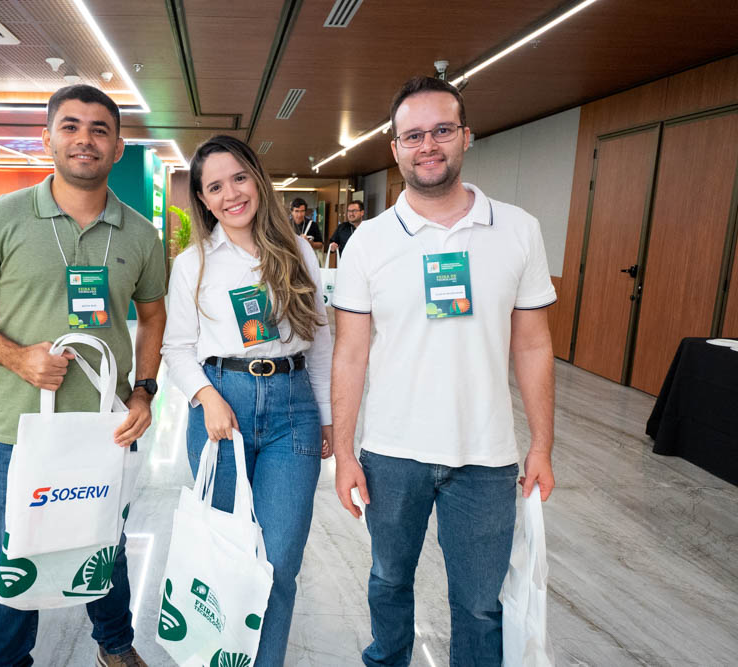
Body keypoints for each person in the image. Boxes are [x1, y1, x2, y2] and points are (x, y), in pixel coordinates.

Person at [0, 84, 167, 667]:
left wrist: (144, 390)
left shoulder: (139, 233)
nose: (84, 139)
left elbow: (154, 315)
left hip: (106, 428)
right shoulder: (1, 218)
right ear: (47, 138)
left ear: (117, 147)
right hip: (19, 430)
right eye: (70, 126)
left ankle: (114, 646)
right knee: (18, 558)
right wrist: (17, 358)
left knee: (103, 544)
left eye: (99, 129)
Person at [331, 76, 557, 666]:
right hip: (391, 451)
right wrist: (347, 453)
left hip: (486, 456)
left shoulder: (518, 229)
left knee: (481, 606)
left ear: (465, 137)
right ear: (395, 147)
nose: (428, 145)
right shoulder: (369, 242)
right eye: (413, 135)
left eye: (441, 130)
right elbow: (350, 353)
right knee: (387, 581)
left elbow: (532, 346)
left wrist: (543, 447)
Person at [161, 135, 333, 666]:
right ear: (205, 201)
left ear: (257, 178)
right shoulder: (194, 264)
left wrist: (326, 419)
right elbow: (177, 348)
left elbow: (321, 340)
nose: (231, 194)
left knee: (279, 561)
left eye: (239, 178)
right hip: (222, 410)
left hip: (292, 410)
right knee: (227, 556)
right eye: (215, 186)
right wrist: (206, 396)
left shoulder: (299, 250)